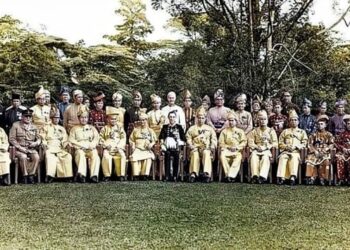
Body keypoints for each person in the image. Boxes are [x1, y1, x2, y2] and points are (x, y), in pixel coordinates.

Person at [68, 106, 101, 183]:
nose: (84, 119)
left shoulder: (92, 128)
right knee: (80, 154)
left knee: (95, 154)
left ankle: (94, 176)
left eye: (86, 117)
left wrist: (92, 145)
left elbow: (96, 138)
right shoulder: (74, 129)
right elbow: (71, 140)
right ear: (79, 118)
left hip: (90, 148)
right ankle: (82, 175)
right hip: (80, 148)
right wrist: (80, 146)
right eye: (82, 118)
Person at [41, 106, 73, 183]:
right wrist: (45, 144)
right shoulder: (46, 127)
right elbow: (43, 138)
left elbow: (65, 139)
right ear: (51, 118)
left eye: (58, 118)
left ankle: (66, 176)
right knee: (50, 157)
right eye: (55, 118)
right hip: (50, 146)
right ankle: (50, 176)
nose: (57, 119)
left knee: (68, 156)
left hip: (60, 147)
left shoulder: (62, 128)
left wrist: (67, 144)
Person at [9, 109, 41, 184]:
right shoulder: (16, 125)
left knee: (36, 157)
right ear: (22, 117)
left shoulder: (34, 126)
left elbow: (39, 138)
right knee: (23, 157)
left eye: (30, 116)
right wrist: (20, 148)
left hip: (31, 148)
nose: (28, 118)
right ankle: (25, 176)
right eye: (26, 116)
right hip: (18, 149)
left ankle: (31, 175)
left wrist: (35, 143)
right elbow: (12, 139)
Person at [276, 110, 308, 185]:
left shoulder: (302, 132)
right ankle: (281, 178)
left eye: (295, 120)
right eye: (291, 120)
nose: (293, 122)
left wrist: (296, 147)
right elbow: (280, 142)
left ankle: (292, 177)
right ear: (289, 122)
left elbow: (304, 143)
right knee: (283, 158)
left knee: (294, 158)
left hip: (296, 151)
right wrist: (286, 147)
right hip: (286, 150)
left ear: (298, 121)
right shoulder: (285, 131)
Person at [186, 107, 217, 183]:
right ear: (196, 118)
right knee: (195, 153)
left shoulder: (209, 129)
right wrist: (191, 145)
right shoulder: (192, 128)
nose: (201, 120)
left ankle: (207, 174)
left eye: (202, 118)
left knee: (206, 153)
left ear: (205, 118)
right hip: (195, 147)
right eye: (199, 118)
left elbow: (214, 139)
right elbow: (188, 138)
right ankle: (193, 174)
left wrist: (212, 146)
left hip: (206, 148)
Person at [247, 110, 278, 184]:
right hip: (257, 149)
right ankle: (255, 176)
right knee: (253, 156)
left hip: (266, 149)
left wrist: (266, 147)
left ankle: (262, 176)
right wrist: (256, 147)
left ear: (267, 120)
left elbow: (275, 143)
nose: (263, 121)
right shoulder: (254, 131)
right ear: (258, 120)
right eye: (261, 119)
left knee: (265, 157)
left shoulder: (271, 131)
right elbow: (250, 142)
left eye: (264, 119)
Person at [100, 106, 127, 182]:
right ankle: (107, 175)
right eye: (112, 119)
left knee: (122, 156)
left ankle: (121, 175)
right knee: (106, 156)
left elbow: (123, 138)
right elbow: (100, 138)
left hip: (117, 147)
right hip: (108, 147)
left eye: (115, 119)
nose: (113, 121)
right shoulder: (104, 128)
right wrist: (105, 145)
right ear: (108, 119)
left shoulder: (120, 128)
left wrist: (119, 146)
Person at [305, 115, 334, 185]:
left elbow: (332, 144)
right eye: (318, 124)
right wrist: (315, 151)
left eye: (322, 124)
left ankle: (322, 178)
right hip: (315, 152)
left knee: (325, 161)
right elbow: (310, 144)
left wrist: (325, 150)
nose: (320, 125)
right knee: (310, 160)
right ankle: (312, 178)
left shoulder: (329, 134)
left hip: (324, 152)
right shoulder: (313, 134)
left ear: (325, 125)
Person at [219, 111, 247, 183]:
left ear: (236, 121)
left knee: (238, 157)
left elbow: (244, 142)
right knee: (222, 155)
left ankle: (230, 175)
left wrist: (237, 147)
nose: (231, 122)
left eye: (232, 120)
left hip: (237, 150)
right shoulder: (224, 131)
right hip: (227, 150)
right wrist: (228, 147)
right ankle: (229, 175)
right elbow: (221, 143)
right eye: (229, 120)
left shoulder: (240, 131)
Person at [159, 110, 186, 181]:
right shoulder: (165, 127)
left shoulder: (179, 127)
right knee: (167, 155)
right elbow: (161, 137)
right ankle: (167, 176)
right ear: (168, 118)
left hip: (176, 148)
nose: (172, 118)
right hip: (167, 148)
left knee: (176, 155)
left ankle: (175, 176)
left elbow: (184, 139)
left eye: (173, 117)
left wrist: (178, 140)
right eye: (170, 117)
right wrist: (162, 144)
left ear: (175, 118)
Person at [129, 112, 157, 180]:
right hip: (137, 148)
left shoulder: (150, 130)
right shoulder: (135, 130)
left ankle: (145, 175)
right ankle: (136, 175)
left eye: (144, 120)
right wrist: (133, 144)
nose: (142, 121)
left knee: (148, 158)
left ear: (147, 120)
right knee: (134, 157)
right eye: (141, 120)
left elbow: (155, 140)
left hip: (146, 149)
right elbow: (131, 139)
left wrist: (151, 144)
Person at [334, 114, 350, 185]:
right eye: (348, 124)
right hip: (343, 152)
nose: (349, 125)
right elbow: (336, 143)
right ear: (346, 125)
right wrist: (343, 148)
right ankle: (341, 179)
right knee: (339, 159)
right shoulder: (342, 134)